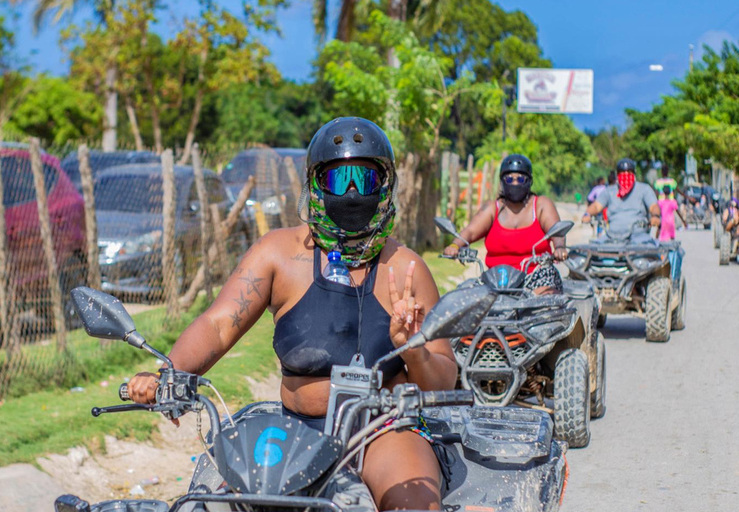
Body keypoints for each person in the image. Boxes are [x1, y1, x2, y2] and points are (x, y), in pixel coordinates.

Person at [127, 117, 456, 511]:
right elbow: (217, 324)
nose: (351, 193)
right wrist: (169, 375)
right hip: (295, 431)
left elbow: (443, 383)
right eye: (339, 179)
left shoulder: (407, 269)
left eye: (364, 180)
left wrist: (413, 349)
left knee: (416, 505)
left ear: (384, 187)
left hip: (383, 430)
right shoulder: (278, 254)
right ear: (316, 184)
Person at [443, 154, 567, 293]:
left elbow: (557, 231)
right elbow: (470, 232)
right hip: (497, 280)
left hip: (536, 277)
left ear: (529, 181)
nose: (515, 184)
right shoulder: (492, 208)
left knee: (547, 298)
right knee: (465, 298)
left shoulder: (541, 205)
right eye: (509, 179)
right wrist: (455, 245)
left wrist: (559, 247)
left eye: (520, 179)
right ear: (502, 181)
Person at [583, 158, 661, 244]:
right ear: (617, 175)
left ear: (634, 174)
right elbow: (597, 206)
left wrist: (655, 216)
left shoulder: (644, 189)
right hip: (612, 237)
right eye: (622, 173)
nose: (625, 176)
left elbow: (653, 206)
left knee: (645, 255)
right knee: (593, 252)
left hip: (638, 237)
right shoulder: (610, 191)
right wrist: (587, 214)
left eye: (629, 173)